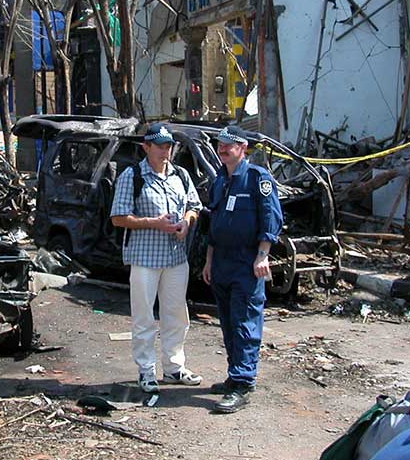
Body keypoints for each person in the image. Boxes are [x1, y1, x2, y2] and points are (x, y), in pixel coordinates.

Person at [110, 122, 203, 394]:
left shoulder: (181, 175)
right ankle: (146, 371)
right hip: (145, 259)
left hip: (175, 259)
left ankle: (174, 367)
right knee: (144, 317)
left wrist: (187, 222)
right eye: (160, 146)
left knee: (176, 314)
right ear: (146, 147)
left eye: (169, 146)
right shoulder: (132, 176)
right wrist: (154, 223)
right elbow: (118, 218)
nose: (165, 151)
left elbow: (194, 206)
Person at [200, 125, 282, 414]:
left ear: (243, 147)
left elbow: (271, 220)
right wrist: (209, 261)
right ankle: (235, 374)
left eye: (229, 145)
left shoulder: (258, 179)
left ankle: (243, 383)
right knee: (228, 322)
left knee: (245, 322)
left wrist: (262, 256)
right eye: (220, 144)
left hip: (247, 263)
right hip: (221, 261)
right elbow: (214, 225)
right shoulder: (219, 180)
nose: (223, 149)